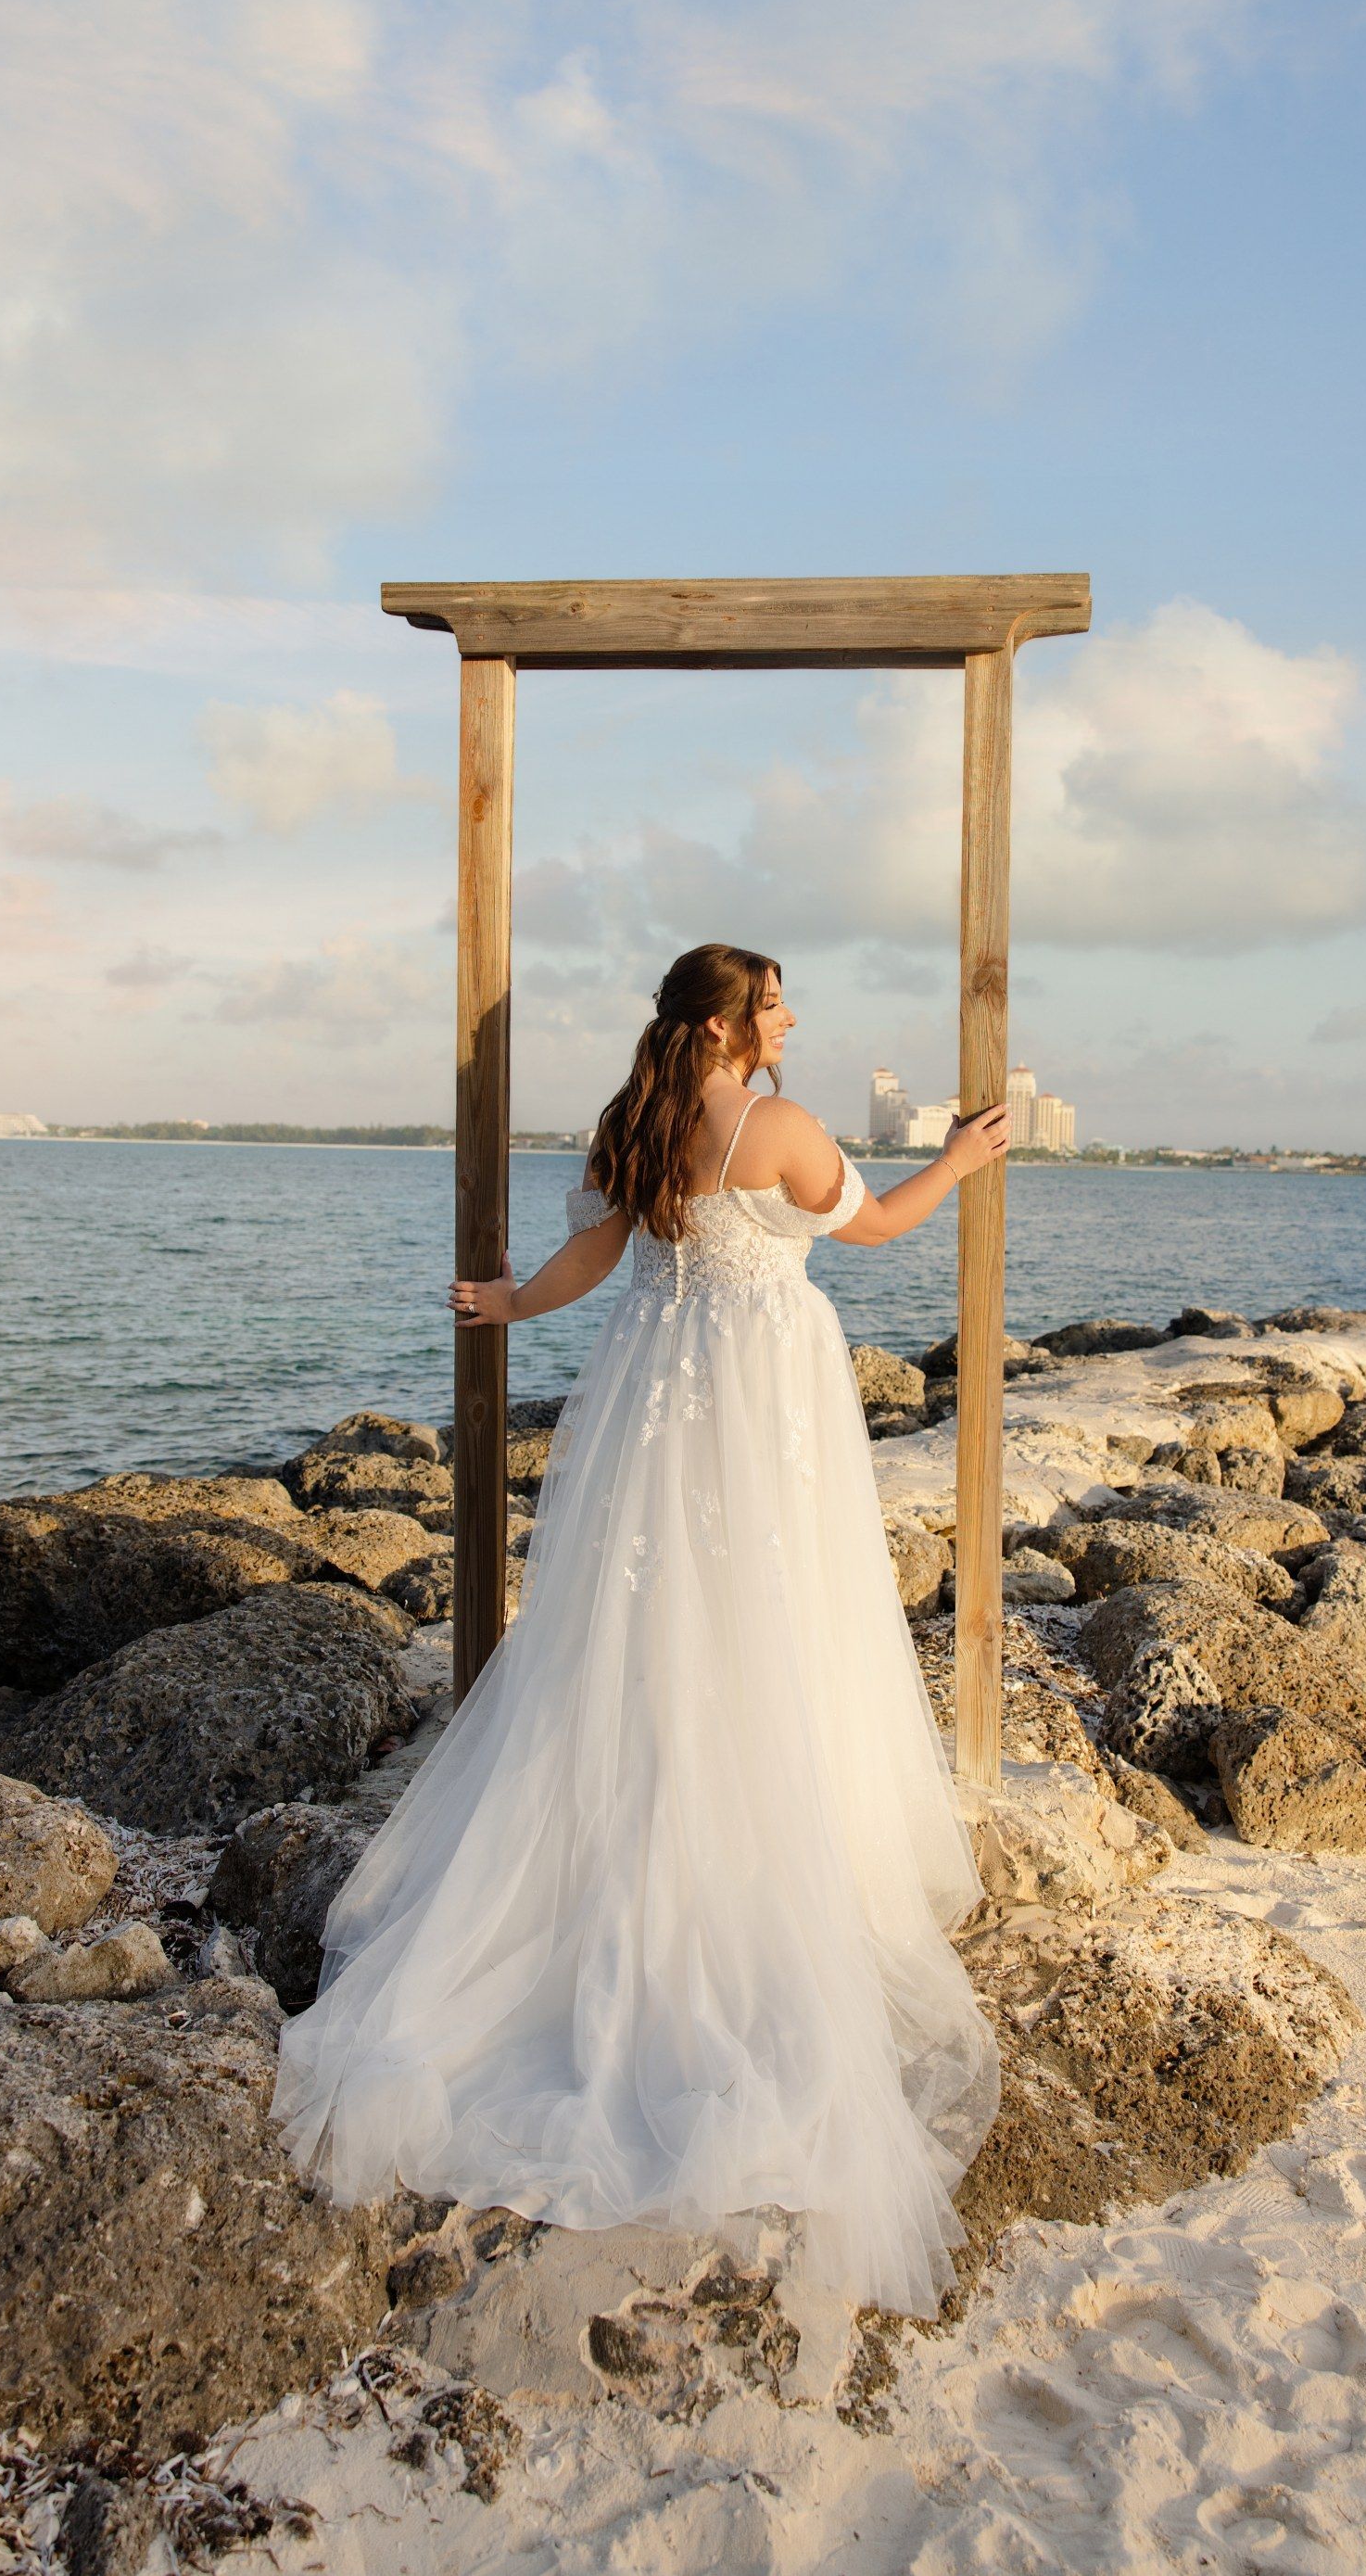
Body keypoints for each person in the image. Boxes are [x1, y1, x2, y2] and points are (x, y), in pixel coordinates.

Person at [272, 943, 1011, 2317]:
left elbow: (585, 1260)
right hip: (762, 1397)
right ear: (734, 1022)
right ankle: (761, 1847)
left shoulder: (642, 1123)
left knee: (640, 1621)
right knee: (774, 1615)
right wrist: (963, 1161)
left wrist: (501, 1303)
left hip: (653, 1392)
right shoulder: (776, 1127)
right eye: (779, 1001)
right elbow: (873, 1230)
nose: (794, 1017)